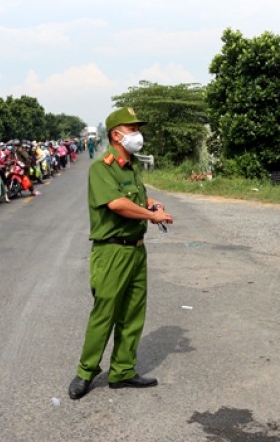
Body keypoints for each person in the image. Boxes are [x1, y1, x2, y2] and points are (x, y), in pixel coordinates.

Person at [68, 107, 174, 400]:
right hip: (111, 251)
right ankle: (86, 372)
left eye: (137, 128)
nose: (137, 134)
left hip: (136, 250)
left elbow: (135, 198)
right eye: (132, 128)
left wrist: (153, 204)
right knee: (104, 314)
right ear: (116, 135)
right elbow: (117, 204)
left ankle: (123, 371)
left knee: (132, 314)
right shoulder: (102, 167)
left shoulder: (131, 167)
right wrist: (150, 216)